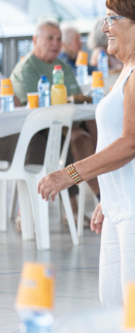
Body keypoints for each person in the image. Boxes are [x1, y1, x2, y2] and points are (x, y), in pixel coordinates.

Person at [37, 0, 135, 317]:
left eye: (112, 19)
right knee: (115, 303)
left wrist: (71, 173)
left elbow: (134, 142)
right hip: (125, 203)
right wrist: (108, 197)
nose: (104, 28)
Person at [9, 19, 100, 213]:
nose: (55, 43)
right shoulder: (27, 68)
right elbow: (34, 109)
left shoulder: (62, 65)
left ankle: (107, 184)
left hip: (69, 120)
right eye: (49, 38)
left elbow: (75, 96)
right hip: (39, 131)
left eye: (59, 39)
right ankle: (100, 197)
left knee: (97, 123)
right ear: (35, 40)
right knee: (79, 137)